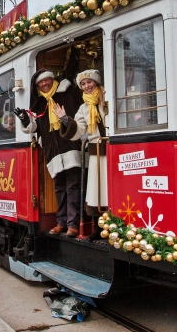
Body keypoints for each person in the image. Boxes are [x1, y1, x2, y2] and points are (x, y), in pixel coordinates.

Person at [16, 70, 83, 236]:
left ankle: (73, 224)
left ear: (52, 80)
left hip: (70, 144)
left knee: (73, 185)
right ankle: (62, 222)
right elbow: (34, 127)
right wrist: (25, 119)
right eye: (41, 82)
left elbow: (79, 116)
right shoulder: (38, 103)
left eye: (47, 80)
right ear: (37, 85)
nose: (45, 84)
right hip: (52, 150)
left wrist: (64, 118)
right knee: (60, 187)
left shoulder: (66, 93)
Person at [54, 69, 108, 216]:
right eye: (83, 84)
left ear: (96, 82)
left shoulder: (108, 98)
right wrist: (65, 119)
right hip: (96, 152)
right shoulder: (83, 108)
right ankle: (98, 228)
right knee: (97, 191)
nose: (86, 86)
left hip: (113, 149)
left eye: (89, 82)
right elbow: (79, 130)